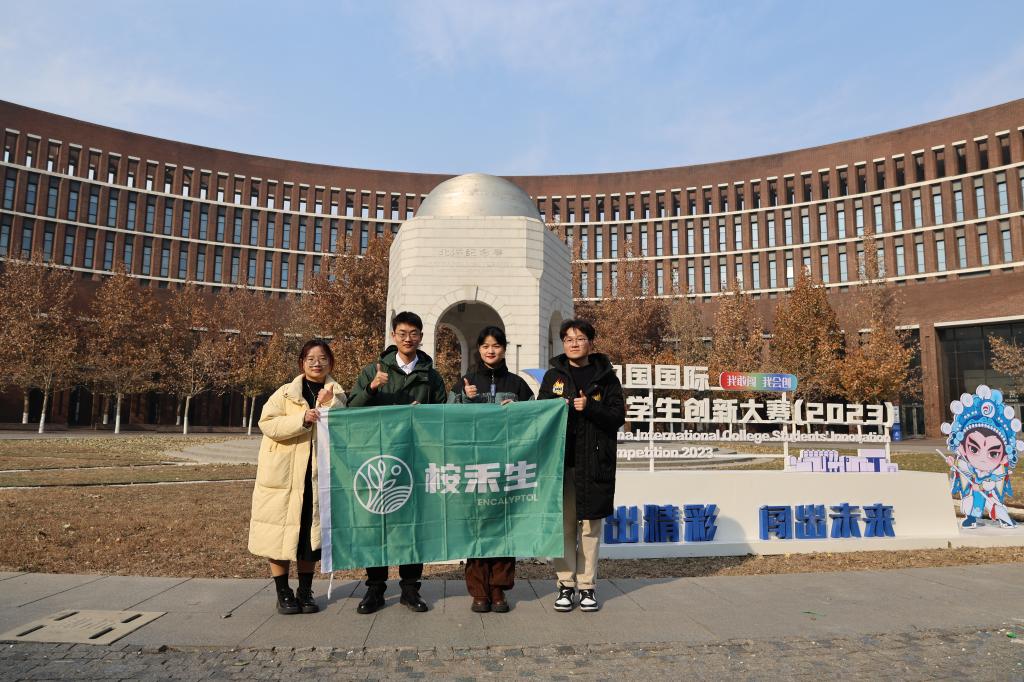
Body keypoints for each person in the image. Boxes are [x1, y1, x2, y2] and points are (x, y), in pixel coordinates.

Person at [347, 311, 448, 614]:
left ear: (421, 337)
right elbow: (351, 410)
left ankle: (410, 588)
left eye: (414, 333)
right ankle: (375, 588)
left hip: (416, 459)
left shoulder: (431, 375)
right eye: (402, 333)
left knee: (413, 523)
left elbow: (444, 415)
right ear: (393, 336)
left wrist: (424, 413)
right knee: (377, 521)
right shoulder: (374, 369)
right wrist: (372, 388)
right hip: (379, 457)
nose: (408, 338)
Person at [248, 339, 347, 615]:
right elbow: (267, 423)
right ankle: (283, 592)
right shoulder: (285, 393)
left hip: (317, 476)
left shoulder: (338, 394)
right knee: (278, 534)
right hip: (284, 477)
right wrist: (302, 419)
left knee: (309, 537)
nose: (317, 363)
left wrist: (328, 405)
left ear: (331, 362)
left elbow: (343, 427)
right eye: (311, 358)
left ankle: (305, 591)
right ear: (302, 363)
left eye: (323, 358)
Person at [538, 319, 624, 613]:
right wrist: (554, 407)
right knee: (563, 527)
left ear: (590, 342)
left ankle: (587, 587)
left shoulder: (606, 378)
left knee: (590, 528)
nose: (574, 344)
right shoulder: (553, 376)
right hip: (561, 463)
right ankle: (565, 585)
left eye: (580, 338)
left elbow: (617, 417)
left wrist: (591, 407)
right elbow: (540, 412)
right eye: (568, 339)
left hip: (595, 463)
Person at [451, 325, 535, 613]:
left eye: (496, 345)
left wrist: (519, 409)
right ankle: (478, 592)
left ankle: (499, 589)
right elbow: (447, 419)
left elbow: (535, 417)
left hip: (507, 467)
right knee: (476, 528)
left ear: (504, 349)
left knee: (503, 527)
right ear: (479, 349)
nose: (491, 350)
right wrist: (465, 399)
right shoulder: (466, 381)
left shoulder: (518, 384)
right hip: (474, 468)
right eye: (486, 345)